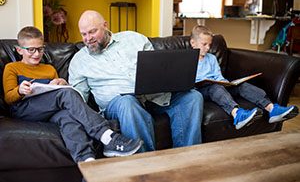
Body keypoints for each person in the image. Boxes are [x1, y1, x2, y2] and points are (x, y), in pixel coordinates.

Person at [68, 10, 203, 152]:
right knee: (127, 102)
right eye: (84, 34)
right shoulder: (79, 61)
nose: (88, 38)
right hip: (119, 105)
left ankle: (187, 157)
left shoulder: (134, 39)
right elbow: (78, 99)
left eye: (92, 32)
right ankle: (143, 164)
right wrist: (65, 89)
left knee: (192, 97)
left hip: (154, 97)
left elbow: (157, 67)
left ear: (105, 25)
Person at [3, 26, 143, 163]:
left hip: (48, 110)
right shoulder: (12, 68)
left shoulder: (49, 69)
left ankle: (87, 163)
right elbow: (9, 98)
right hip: (23, 109)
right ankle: (107, 137)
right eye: (31, 50)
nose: (37, 54)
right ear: (19, 50)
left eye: (40, 49)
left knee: (68, 118)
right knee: (66, 94)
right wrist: (20, 90)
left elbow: (55, 92)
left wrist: (62, 83)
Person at [190, 25, 298, 130]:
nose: (208, 48)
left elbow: (218, 76)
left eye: (209, 45)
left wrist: (226, 83)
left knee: (242, 86)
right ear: (193, 43)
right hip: (201, 90)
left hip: (218, 85)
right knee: (215, 88)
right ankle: (237, 115)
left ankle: (272, 109)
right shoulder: (188, 59)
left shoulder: (212, 58)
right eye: (204, 44)